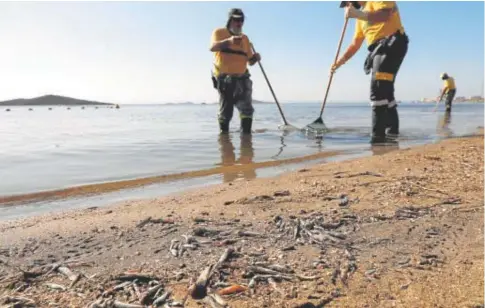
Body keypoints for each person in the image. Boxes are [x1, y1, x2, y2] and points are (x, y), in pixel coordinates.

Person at [331, 1, 409, 144]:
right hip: (377, 50)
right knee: (386, 91)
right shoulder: (360, 20)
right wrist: (339, 62)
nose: (349, 6)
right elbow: (355, 44)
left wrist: (358, 14)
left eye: (348, 3)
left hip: (392, 43)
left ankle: (378, 138)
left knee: (378, 89)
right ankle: (392, 134)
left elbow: (385, 15)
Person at [210, 8, 261, 134]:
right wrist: (228, 42)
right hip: (225, 80)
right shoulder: (219, 32)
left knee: (247, 110)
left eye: (241, 20)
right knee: (225, 112)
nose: (239, 23)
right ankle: (224, 139)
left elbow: (250, 62)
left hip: (243, 79)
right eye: (236, 20)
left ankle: (246, 142)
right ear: (230, 20)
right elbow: (212, 47)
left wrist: (255, 58)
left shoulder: (245, 39)